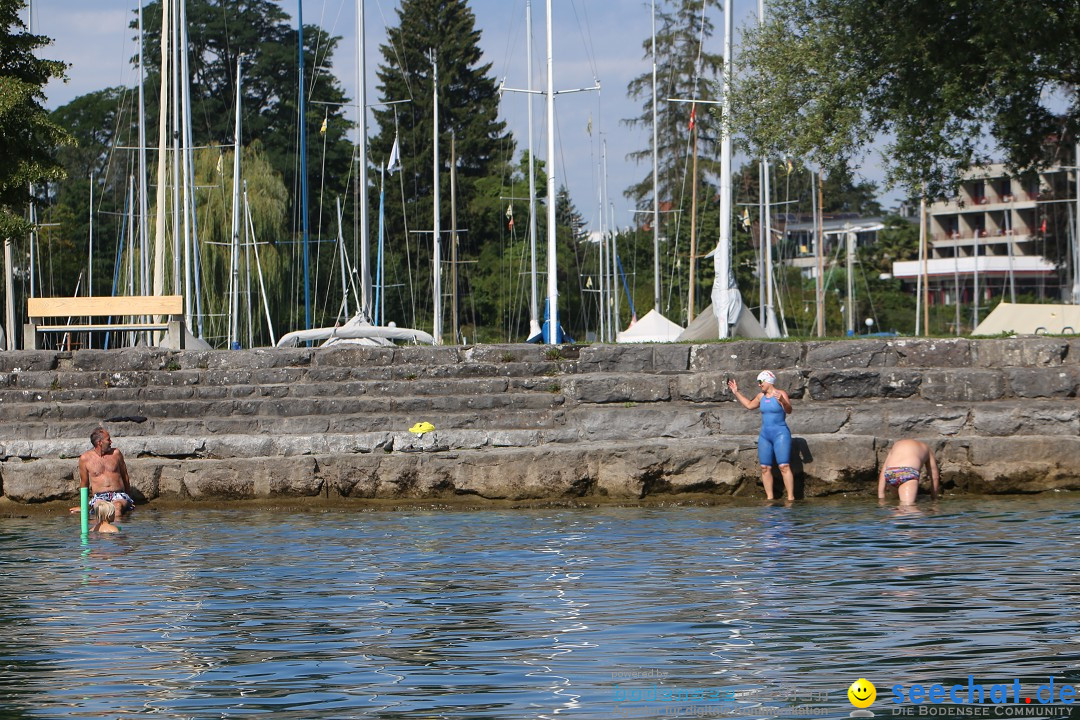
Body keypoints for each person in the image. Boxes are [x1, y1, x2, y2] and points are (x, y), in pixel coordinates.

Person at [727, 370, 795, 501]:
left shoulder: (780, 394)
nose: (759, 385)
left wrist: (783, 401)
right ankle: (770, 499)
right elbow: (749, 405)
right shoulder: (760, 397)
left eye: (760, 382)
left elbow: (789, 410)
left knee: (784, 466)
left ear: (768, 381)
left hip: (780, 434)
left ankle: (790, 499)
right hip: (765, 435)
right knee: (765, 468)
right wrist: (736, 392)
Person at [76, 428, 133, 516]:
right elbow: (84, 483)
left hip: (118, 495)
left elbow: (125, 475)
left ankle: (116, 529)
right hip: (99, 497)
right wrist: (83, 507)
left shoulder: (116, 453)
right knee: (101, 511)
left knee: (117, 508)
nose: (111, 442)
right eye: (108, 439)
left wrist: (129, 497)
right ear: (100, 442)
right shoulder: (85, 459)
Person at [878, 438, 940, 505]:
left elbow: (883, 470)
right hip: (907, 473)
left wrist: (881, 496)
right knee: (908, 508)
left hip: (890, 473)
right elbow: (934, 476)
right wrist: (934, 498)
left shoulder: (897, 445)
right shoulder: (927, 449)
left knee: (897, 501)